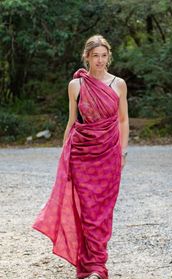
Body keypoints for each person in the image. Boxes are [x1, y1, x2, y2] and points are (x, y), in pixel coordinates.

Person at [32, 34, 129, 279]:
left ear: (109, 57)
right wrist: (64, 155)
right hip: (81, 155)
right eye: (95, 56)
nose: (99, 60)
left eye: (104, 56)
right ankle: (89, 268)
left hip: (109, 154)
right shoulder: (76, 85)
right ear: (86, 57)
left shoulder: (118, 84)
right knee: (86, 211)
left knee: (102, 213)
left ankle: (97, 265)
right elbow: (72, 122)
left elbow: (123, 120)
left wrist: (123, 151)